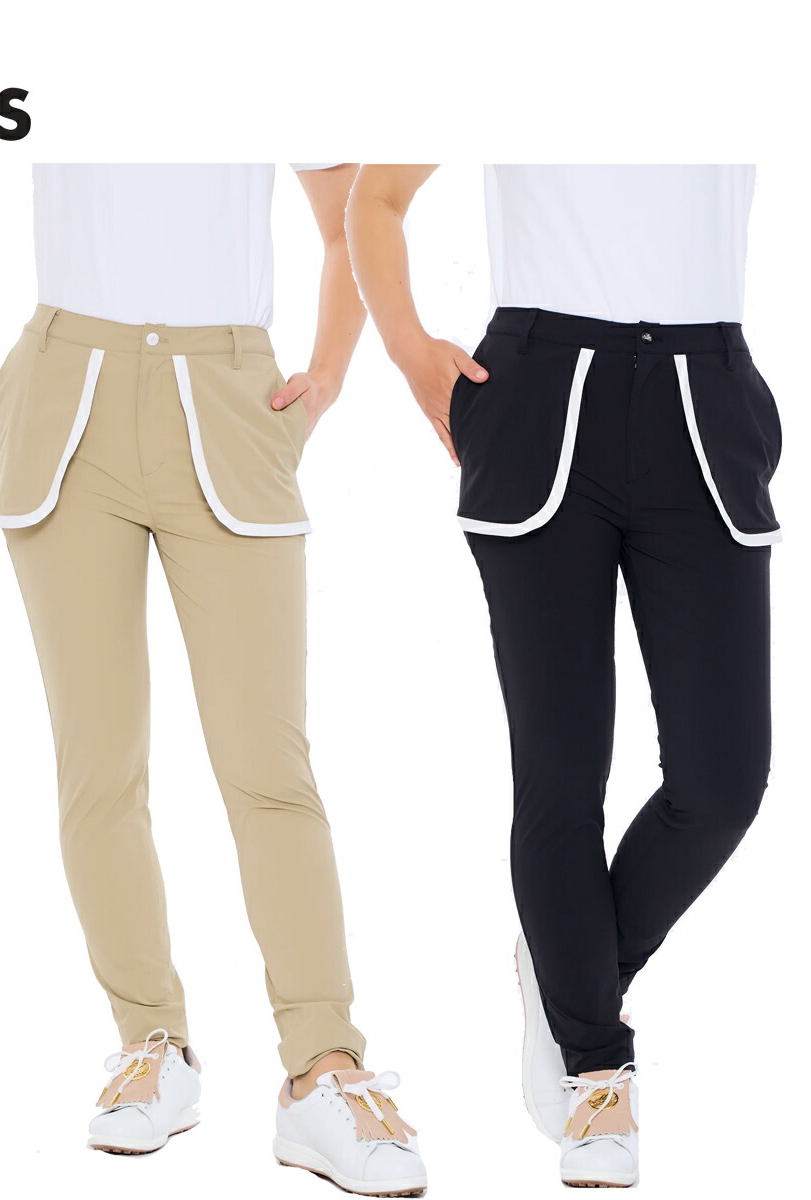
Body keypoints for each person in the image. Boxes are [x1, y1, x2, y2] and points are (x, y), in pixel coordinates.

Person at [0, 163, 427, 1196]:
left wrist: (328, 372)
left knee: (268, 767)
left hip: (229, 401)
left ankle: (324, 1064)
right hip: (67, 398)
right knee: (99, 765)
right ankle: (150, 1042)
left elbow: (347, 219)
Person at [347, 164, 779, 1189]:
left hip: (705, 403)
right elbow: (375, 196)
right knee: (561, 773)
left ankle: (562, 963)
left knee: (723, 784)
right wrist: (410, 350)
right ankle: (596, 1067)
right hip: (544, 401)